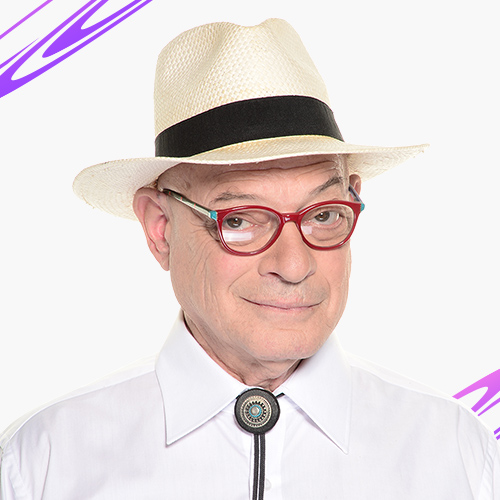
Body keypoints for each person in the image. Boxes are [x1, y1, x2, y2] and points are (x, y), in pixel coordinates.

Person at [1, 18, 498, 500]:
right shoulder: (44, 463)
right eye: (239, 219)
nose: (295, 265)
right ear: (160, 228)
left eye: (324, 214)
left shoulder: (456, 452)